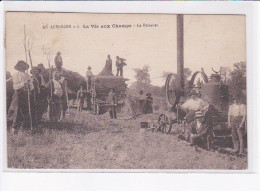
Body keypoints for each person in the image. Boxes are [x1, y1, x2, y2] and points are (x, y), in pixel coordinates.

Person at [10, 60, 34, 134]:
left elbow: (32, 86)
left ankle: (24, 127)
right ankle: (14, 127)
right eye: (21, 65)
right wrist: (24, 83)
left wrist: (30, 86)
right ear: (18, 67)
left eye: (24, 65)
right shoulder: (16, 74)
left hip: (26, 94)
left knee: (26, 110)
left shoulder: (28, 76)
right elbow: (15, 87)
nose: (22, 67)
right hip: (18, 93)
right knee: (16, 110)